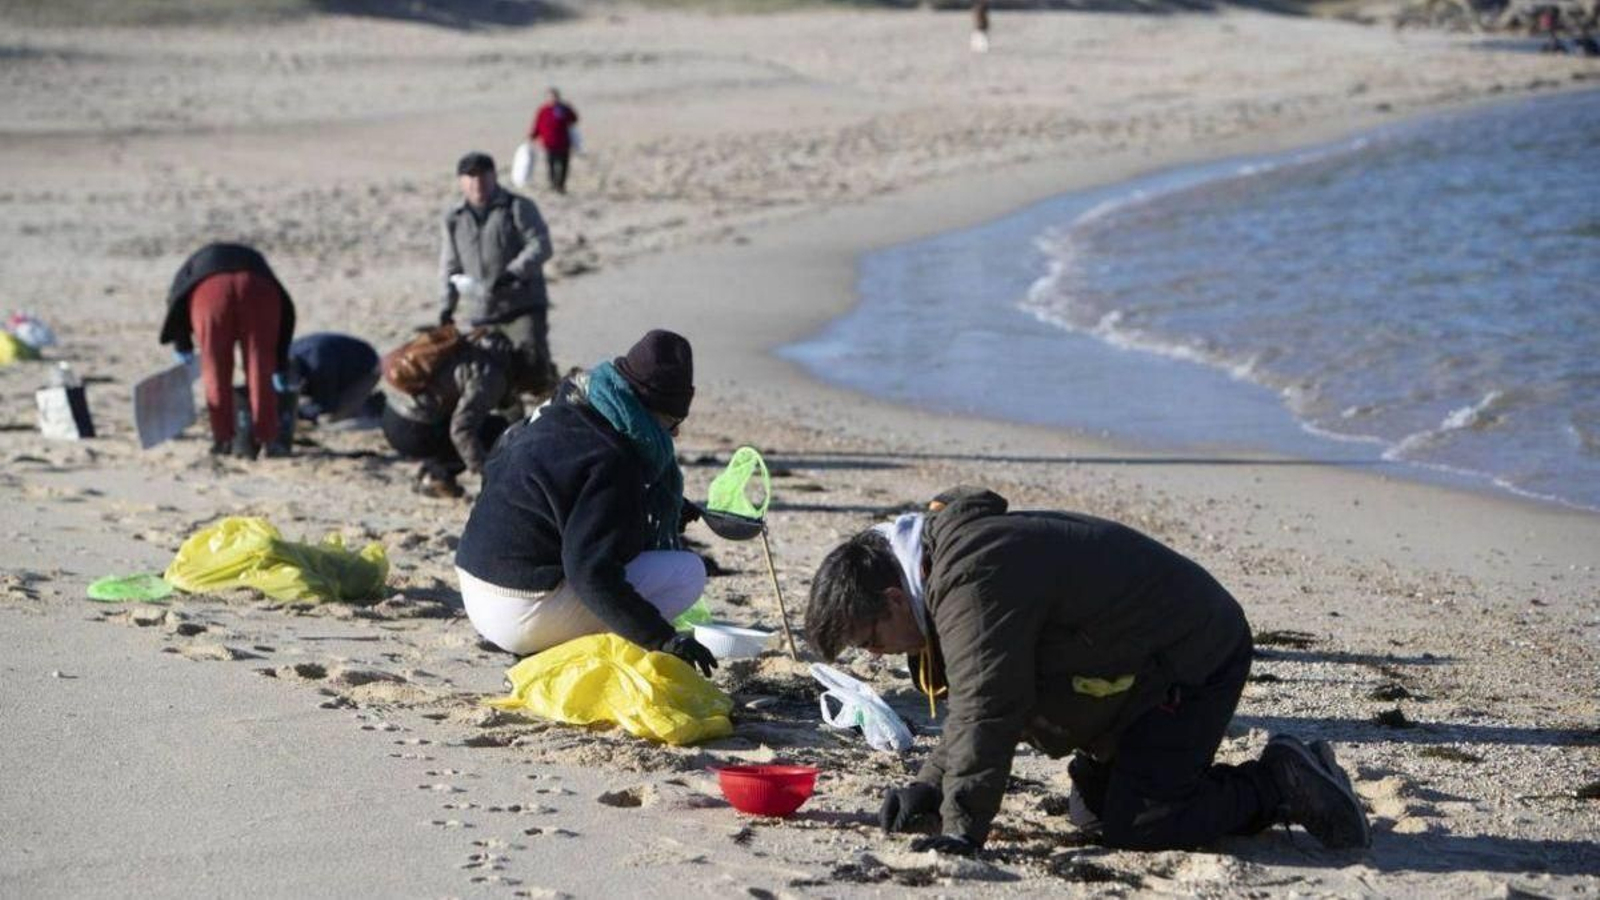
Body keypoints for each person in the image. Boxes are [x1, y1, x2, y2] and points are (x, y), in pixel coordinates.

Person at [806, 487, 1371, 856]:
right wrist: (928, 789)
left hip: (1194, 656)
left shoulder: (969, 577)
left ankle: (1281, 780)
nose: (875, 655)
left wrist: (961, 829)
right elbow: (977, 700)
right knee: (1094, 816)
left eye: (870, 640)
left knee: (1144, 825)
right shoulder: (943, 567)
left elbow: (989, 706)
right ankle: (1181, 778)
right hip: (1134, 666)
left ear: (893, 598)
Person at [453, 329, 715, 675]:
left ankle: (545, 643)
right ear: (652, 411)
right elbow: (591, 572)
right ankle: (555, 652)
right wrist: (662, 638)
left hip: (474, 583)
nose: (676, 433)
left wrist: (646, 506)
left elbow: (532, 484)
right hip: (518, 611)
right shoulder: (613, 457)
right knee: (687, 573)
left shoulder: (565, 407)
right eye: (673, 422)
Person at [439, 151, 559, 398]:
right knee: (494, 376)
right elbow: (450, 265)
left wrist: (513, 273)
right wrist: (446, 307)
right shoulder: (454, 218)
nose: (477, 182)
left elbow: (541, 245)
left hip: (523, 305)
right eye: (470, 176)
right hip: (483, 311)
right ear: (461, 181)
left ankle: (553, 395)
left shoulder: (517, 207)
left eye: (483, 175)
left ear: (494, 176)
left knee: (533, 368)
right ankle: (513, 418)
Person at [160, 242, 296, 458]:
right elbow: (284, 319)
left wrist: (182, 345)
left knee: (214, 368)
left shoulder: (192, 265)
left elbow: (176, 300)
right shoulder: (256, 261)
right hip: (259, 289)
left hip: (209, 292)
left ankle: (222, 440)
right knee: (261, 368)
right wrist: (280, 364)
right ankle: (269, 440)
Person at [381, 329, 516, 499]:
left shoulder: (472, 345)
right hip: (413, 431)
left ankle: (431, 471)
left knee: (469, 424)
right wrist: (487, 473)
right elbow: (462, 430)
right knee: (494, 431)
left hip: (391, 414)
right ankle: (437, 476)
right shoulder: (490, 375)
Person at [288, 332, 380, 424]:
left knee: (330, 418)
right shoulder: (287, 355)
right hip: (337, 365)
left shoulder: (319, 366)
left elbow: (324, 405)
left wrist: (296, 413)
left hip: (367, 368)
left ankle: (371, 406)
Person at [530, 88, 580, 194]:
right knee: (551, 165)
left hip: (563, 143)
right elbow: (538, 125)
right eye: (550, 97)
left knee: (563, 166)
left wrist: (570, 109)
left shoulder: (564, 109)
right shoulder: (543, 110)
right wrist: (533, 135)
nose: (553, 99)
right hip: (549, 144)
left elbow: (574, 120)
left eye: (554, 96)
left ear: (558, 97)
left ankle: (561, 185)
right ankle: (553, 184)